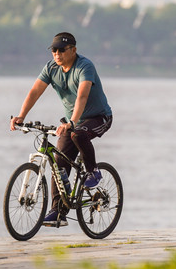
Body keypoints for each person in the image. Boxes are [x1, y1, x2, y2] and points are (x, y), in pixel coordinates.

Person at [10, 32, 113, 226]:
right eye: (53, 50)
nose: (57, 54)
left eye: (61, 50)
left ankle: (93, 171)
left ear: (73, 50)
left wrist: (72, 122)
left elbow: (82, 96)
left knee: (77, 133)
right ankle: (58, 212)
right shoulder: (51, 68)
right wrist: (21, 116)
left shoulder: (85, 66)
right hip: (72, 121)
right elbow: (35, 91)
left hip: (98, 117)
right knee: (58, 163)